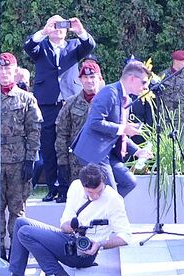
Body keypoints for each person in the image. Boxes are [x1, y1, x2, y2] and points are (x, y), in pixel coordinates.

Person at [0, 162, 131, 276]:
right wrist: (70, 226)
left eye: (99, 191)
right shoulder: (75, 187)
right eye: (90, 192)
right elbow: (64, 223)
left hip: (85, 254)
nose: (95, 196)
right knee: (21, 222)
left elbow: (126, 237)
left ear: (104, 183)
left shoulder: (113, 199)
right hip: (69, 240)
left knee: (25, 233)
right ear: (82, 186)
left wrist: (100, 244)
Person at [0, 52, 42, 257]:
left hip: (18, 161)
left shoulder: (27, 99)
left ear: (15, 71)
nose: (3, 72)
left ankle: (18, 252)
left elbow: (34, 130)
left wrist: (31, 159)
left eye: (7, 69)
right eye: (0, 69)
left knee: (17, 210)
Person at [23, 15, 97, 201]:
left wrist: (79, 30)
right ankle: (52, 187)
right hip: (47, 103)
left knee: (68, 146)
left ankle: (68, 186)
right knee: (48, 146)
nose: (58, 29)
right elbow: (28, 46)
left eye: (62, 26)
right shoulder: (41, 47)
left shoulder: (73, 46)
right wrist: (43, 32)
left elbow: (89, 46)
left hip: (69, 101)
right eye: (54, 26)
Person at [72, 60, 153, 198]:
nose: (145, 87)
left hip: (106, 152)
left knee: (129, 182)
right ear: (132, 79)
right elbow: (95, 123)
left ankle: (100, 210)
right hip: (94, 152)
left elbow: (119, 132)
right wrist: (123, 128)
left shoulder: (124, 96)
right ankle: (104, 213)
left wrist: (137, 151)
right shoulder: (110, 92)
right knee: (111, 196)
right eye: (144, 82)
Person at [55, 59, 103, 196]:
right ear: (80, 80)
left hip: (101, 159)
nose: (89, 81)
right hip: (77, 163)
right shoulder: (71, 103)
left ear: (99, 78)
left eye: (92, 77)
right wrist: (62, 161)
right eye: (85, 77)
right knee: (79, 199)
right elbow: (62, 134)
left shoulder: (106, 101)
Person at [157, 49, 184, 125]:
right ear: (176, 61)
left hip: (181, 117)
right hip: (165, 116)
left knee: (181, 136)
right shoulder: (163, 75)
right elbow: (157, 96)